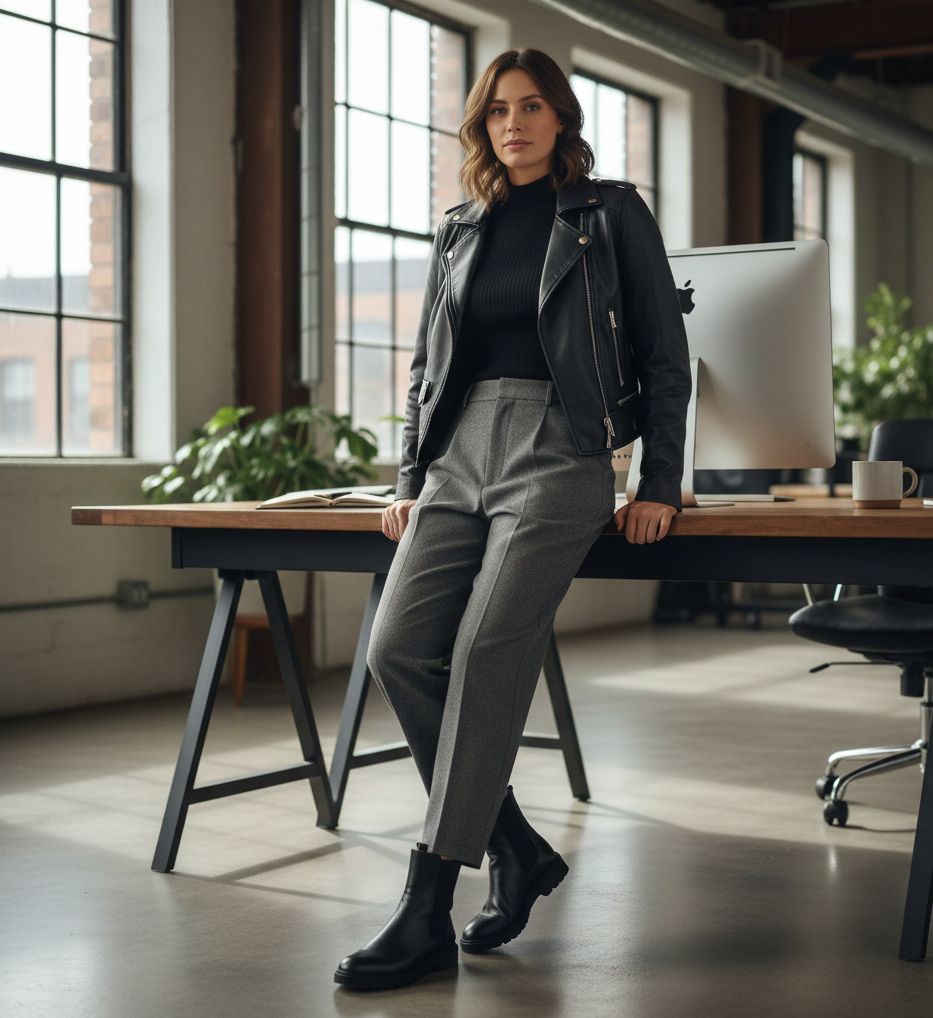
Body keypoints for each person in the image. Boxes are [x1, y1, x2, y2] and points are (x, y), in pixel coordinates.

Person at [334, 47, 690, 991]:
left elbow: (663, 354)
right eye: (498, 111)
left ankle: (426, 908)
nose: (514, 124)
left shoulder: (610, 214)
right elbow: (425, 370)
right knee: (400, 649)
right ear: (481, 125)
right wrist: (410, 474)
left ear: (562, 119)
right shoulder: (460, 227)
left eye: (532, 107)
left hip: (561, 448)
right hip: (457, 456)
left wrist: (659, 482)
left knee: (490, 649)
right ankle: (519, 849)